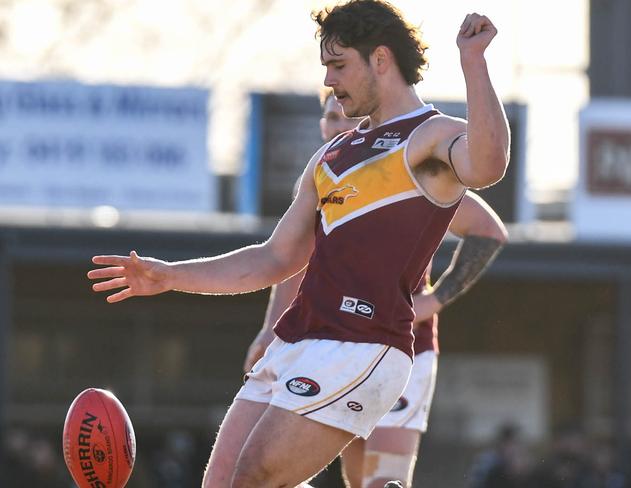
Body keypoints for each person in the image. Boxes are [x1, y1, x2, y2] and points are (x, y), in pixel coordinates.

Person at [88, 1, 510, 486]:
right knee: (221, 485)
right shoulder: (329, 156)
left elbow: (489, 165)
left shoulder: (431, 136)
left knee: (253, 480)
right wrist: (169, 276)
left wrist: (473, 63)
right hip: (298, 341)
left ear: (380, 59)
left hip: (362, 345)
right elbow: (275, 258)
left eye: (338, 65)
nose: (329, 81)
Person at [244, 89, 508, 488]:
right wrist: (270, 330)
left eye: (346, 117)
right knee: (354, 477)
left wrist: (432, 302)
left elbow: (489, 231)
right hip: (331, 346)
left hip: (401, 347)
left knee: (384, 476)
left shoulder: (403, 168)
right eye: (330, 118)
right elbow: (292, 263)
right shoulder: (323, 176)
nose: (339, 125)